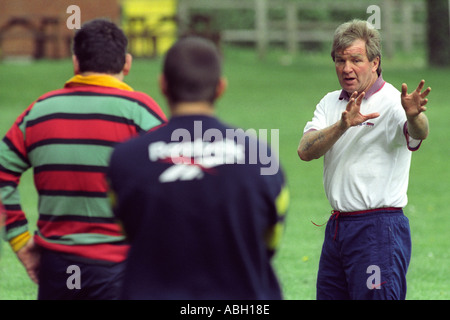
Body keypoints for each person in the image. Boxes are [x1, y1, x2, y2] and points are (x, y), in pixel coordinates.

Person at [107, 36, 289, 299]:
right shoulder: (262, 155)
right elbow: (271, 240)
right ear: (220, 88)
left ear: (163, 85)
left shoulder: (125, 159)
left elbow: (127, 229)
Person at [0, 19, 167, 299]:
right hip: (121, 267)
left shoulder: (40, 111)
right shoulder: (142, 111)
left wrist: (19, 239)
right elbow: (179, 181)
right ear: (127, 63)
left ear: (75, 63)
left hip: (57, 269)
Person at [297, 19, 430, 300]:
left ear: (374, 62)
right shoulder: (330, 103)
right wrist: (342, 125)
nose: (347, 68)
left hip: (378, 230)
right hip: (337, 228)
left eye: (356, 60)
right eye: (340, 60)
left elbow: (419, 133)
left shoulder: (394, 102)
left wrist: (415, 115)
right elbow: (305, 150)